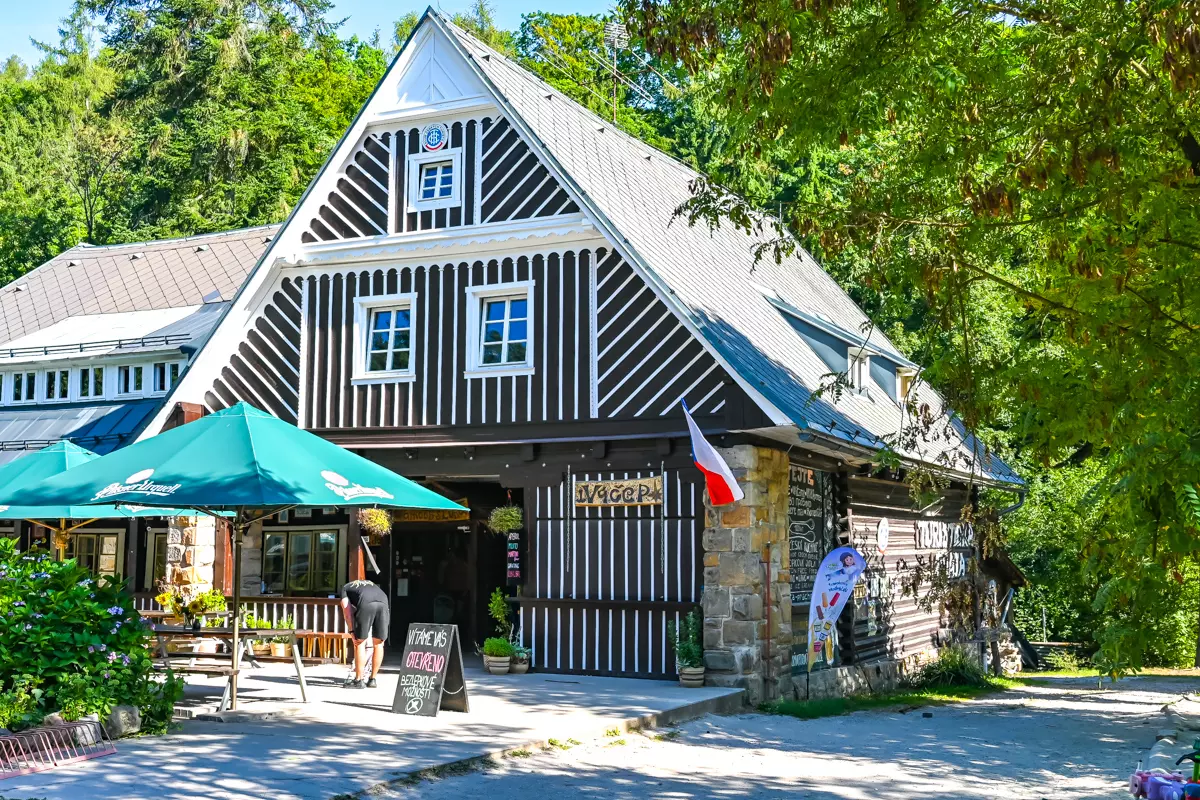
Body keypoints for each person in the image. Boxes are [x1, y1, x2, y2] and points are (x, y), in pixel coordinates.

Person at [340, 579, 389, 689]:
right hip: (383, 602)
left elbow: (347, 612)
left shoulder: (345, 588)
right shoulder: (371, 584)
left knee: (359, 642)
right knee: (379, 643)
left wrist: (352, 631)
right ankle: (372, 679)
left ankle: (359, 680)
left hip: (366, 603)